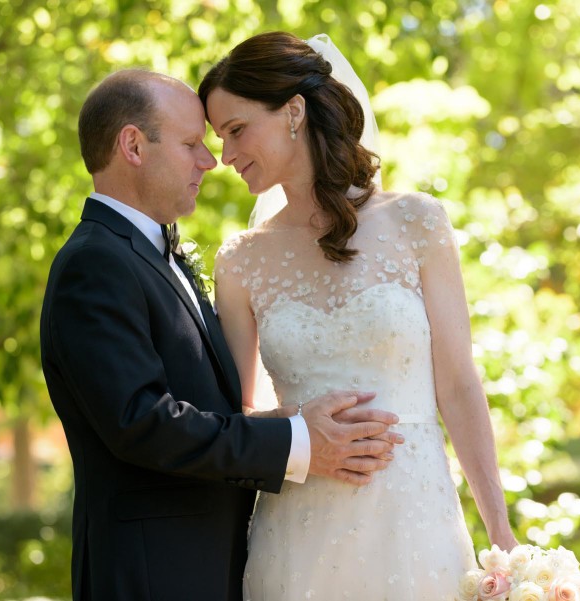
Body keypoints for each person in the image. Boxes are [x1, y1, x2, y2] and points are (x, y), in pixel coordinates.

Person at [40, 69, 404, 601]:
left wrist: (277, 420)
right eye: (191, 144)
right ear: (133, 146)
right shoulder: (95, 263)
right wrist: (300, 443)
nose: (210, 161)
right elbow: (142, 423)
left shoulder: (151, 254)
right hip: (153, 576)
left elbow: (200, 403)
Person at [198, 32, 519, 600]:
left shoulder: (417, 222)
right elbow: (236, 416)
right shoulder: (241, 261)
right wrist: (295, 426)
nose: (225, 156)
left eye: (236, 130)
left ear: (293, 111)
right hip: (296, 535)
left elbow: (459, 383)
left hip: (416, 524)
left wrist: (502, 538)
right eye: (220, 137)